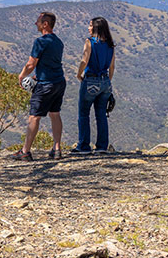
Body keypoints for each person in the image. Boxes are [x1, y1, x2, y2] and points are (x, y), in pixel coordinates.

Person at [12, 12, 66, 161]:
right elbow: (51, 63)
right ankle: (57, 149)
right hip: (59, 82)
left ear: (45, 24)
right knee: (55, 114)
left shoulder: (40, 42)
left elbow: (31, 64)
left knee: (34, 117)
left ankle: (25, 151)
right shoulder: (58, 42)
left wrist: (22, 76)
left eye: (38, 21)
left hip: (45, 85)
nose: (35, 23)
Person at [72, 17, 116, 154]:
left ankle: (84, 146)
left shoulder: (90, 42)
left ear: (96, 28)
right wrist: (107, 81)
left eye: (90, 26)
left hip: (91, 80)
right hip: (105, 82)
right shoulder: (110, 45)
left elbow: (84, 61)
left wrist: (79, 74)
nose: (88, 28)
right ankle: (102, 146)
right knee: (101, 114)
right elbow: (112, 66)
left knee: (84, 113)